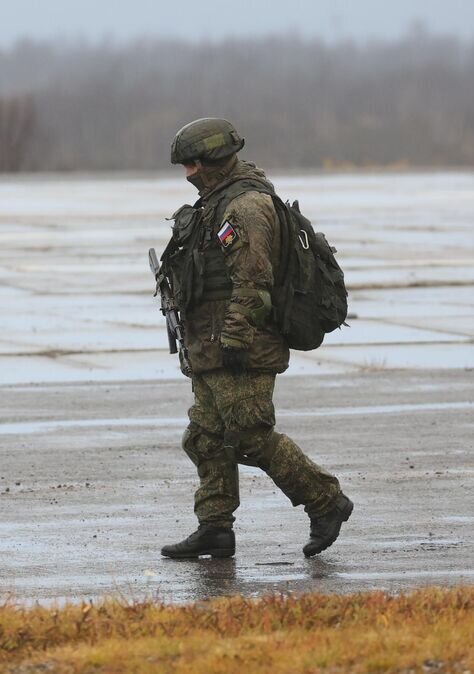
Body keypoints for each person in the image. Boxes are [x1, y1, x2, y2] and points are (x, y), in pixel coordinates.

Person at [157, 117, 352, 559]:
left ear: (212, 160)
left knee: (249, 435)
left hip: (240, 348)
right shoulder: (216, 201)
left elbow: (252, 283)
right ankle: (214, 528)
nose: (187, 174)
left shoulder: (245, 207)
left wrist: (235, 341)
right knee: (205, 437)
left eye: (192, 164)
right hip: (209, 344)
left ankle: (326, 501)